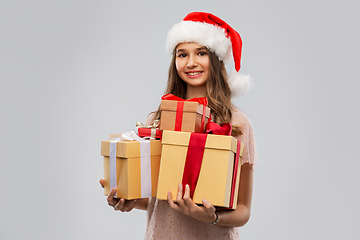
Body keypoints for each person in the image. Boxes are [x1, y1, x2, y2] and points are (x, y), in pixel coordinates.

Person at [100, 12, 258, 239]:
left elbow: (243, 210)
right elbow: (159, 198)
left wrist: (212, 217)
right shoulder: (158, 117)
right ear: (175, 62)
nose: (191, 62)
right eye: (182, 54)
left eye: (201, 53)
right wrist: (129, 200)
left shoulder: (237, 123)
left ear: (215, 59)